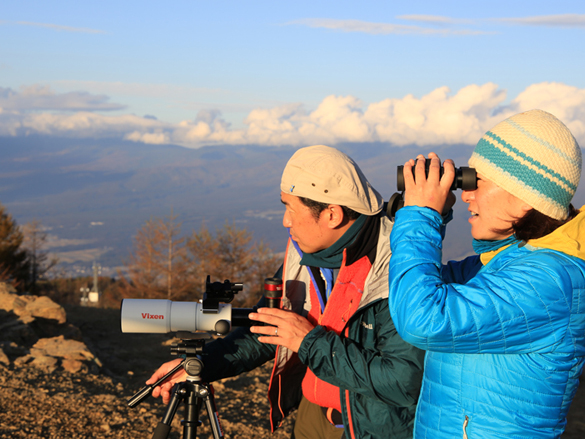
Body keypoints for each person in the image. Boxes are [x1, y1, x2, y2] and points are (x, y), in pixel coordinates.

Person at [146, 145, 425, 439]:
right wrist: (202, 364)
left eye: (291, 208)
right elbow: (268, 331)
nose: (286, 221)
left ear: (332, 214)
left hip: (373, 426)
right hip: (313, 415)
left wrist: (307, 341)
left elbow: (403, 381)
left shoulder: (396, 268)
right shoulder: (305, 253)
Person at [388, 109, 585, 438]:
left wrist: (421, 215)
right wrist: (417, 215)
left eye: (477, 183)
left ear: (523, 198)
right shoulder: (507, 263)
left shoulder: (551, 283)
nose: (466, 194)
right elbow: (411, 286)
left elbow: (420, 318)